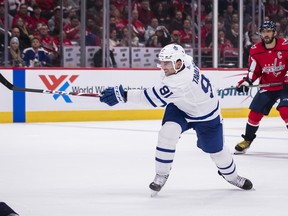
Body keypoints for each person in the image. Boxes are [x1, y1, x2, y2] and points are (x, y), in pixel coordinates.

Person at [99, 43, 253, 196]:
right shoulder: (185, 60)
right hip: (181, 107)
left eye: (166, 63)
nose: (162, 66)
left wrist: (122, 95)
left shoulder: (179, 82)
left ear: (178, 63)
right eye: (162, 62)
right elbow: (160, 93)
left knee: (217, 151)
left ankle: (233, 177)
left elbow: (150, 98)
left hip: (207, 116)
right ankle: (161, 174)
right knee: (167, 133)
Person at [234, 20, 288, 154]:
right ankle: (247, 140)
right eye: (264, 32)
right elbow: (254, 71)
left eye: (269, 31)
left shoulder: (285, 45)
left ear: (274, 33)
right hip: (268, 86)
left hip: (285, 86)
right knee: (254, 114)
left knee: (285, 111)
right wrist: (247, 82)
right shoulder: (255, 49)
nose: (266, 34)